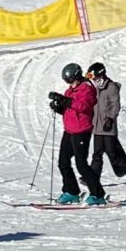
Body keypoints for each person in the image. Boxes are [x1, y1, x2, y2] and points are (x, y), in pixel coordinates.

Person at [49, 62, 100, 204]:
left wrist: (64, 100)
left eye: (70, 80)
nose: (69, 84)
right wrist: (58, 107)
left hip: (81, 131)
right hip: (69, 131)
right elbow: (69, 109)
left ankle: (98, 194)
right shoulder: (70, 90)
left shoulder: (87, 89)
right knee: (63, 162)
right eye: (67, 81)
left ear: (77, 77)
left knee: (81, 164)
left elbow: (83, 106)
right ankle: (71, 191)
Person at [88, 63, 126, 186]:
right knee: (97, 155)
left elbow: (115, 105)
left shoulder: (111, 87)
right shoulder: (95, 88)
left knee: (114, 155)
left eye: (95, 78)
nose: (94, 80)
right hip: (97, 127)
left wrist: (110, 119)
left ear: (101, 74)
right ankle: (92, 179)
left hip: (107, 127)